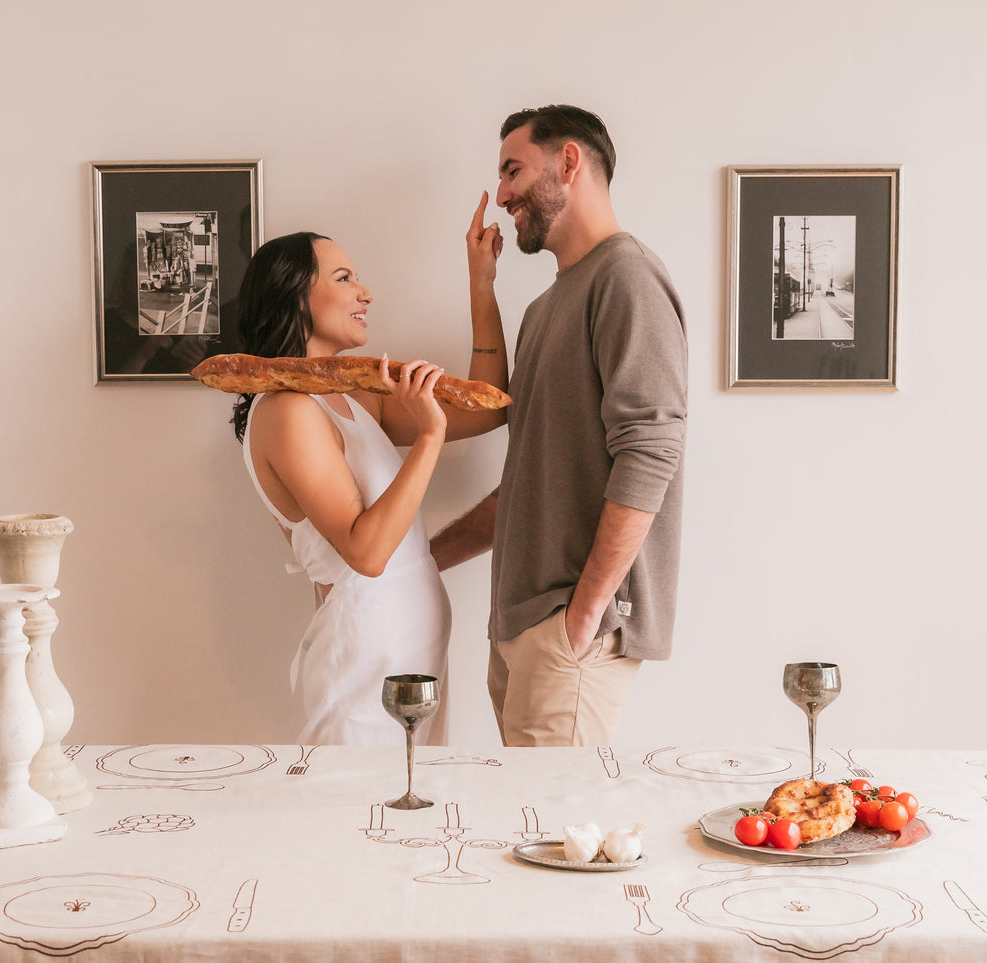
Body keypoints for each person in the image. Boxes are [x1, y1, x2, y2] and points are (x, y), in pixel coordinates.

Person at [431, 105, 687, 747]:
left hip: (570, 631)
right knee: (525, 839)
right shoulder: (546, 307)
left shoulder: (626, 276)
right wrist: (419, 561)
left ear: (569, 161)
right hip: (522, 628)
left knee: (553, 835)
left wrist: (585, 613)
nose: (503, 195)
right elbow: (529, 481)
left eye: (513, 170)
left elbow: (652, 451)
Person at [230, 203, 506, 746]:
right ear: (295, 298)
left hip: (412, 653)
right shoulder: (286, 411)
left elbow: (488, 409)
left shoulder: (355, 395)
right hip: (362, 661)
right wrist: (428, 437)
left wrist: (481, 283)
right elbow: (368, 552)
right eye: (344, 278)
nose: (366, 292)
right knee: (351, 818)